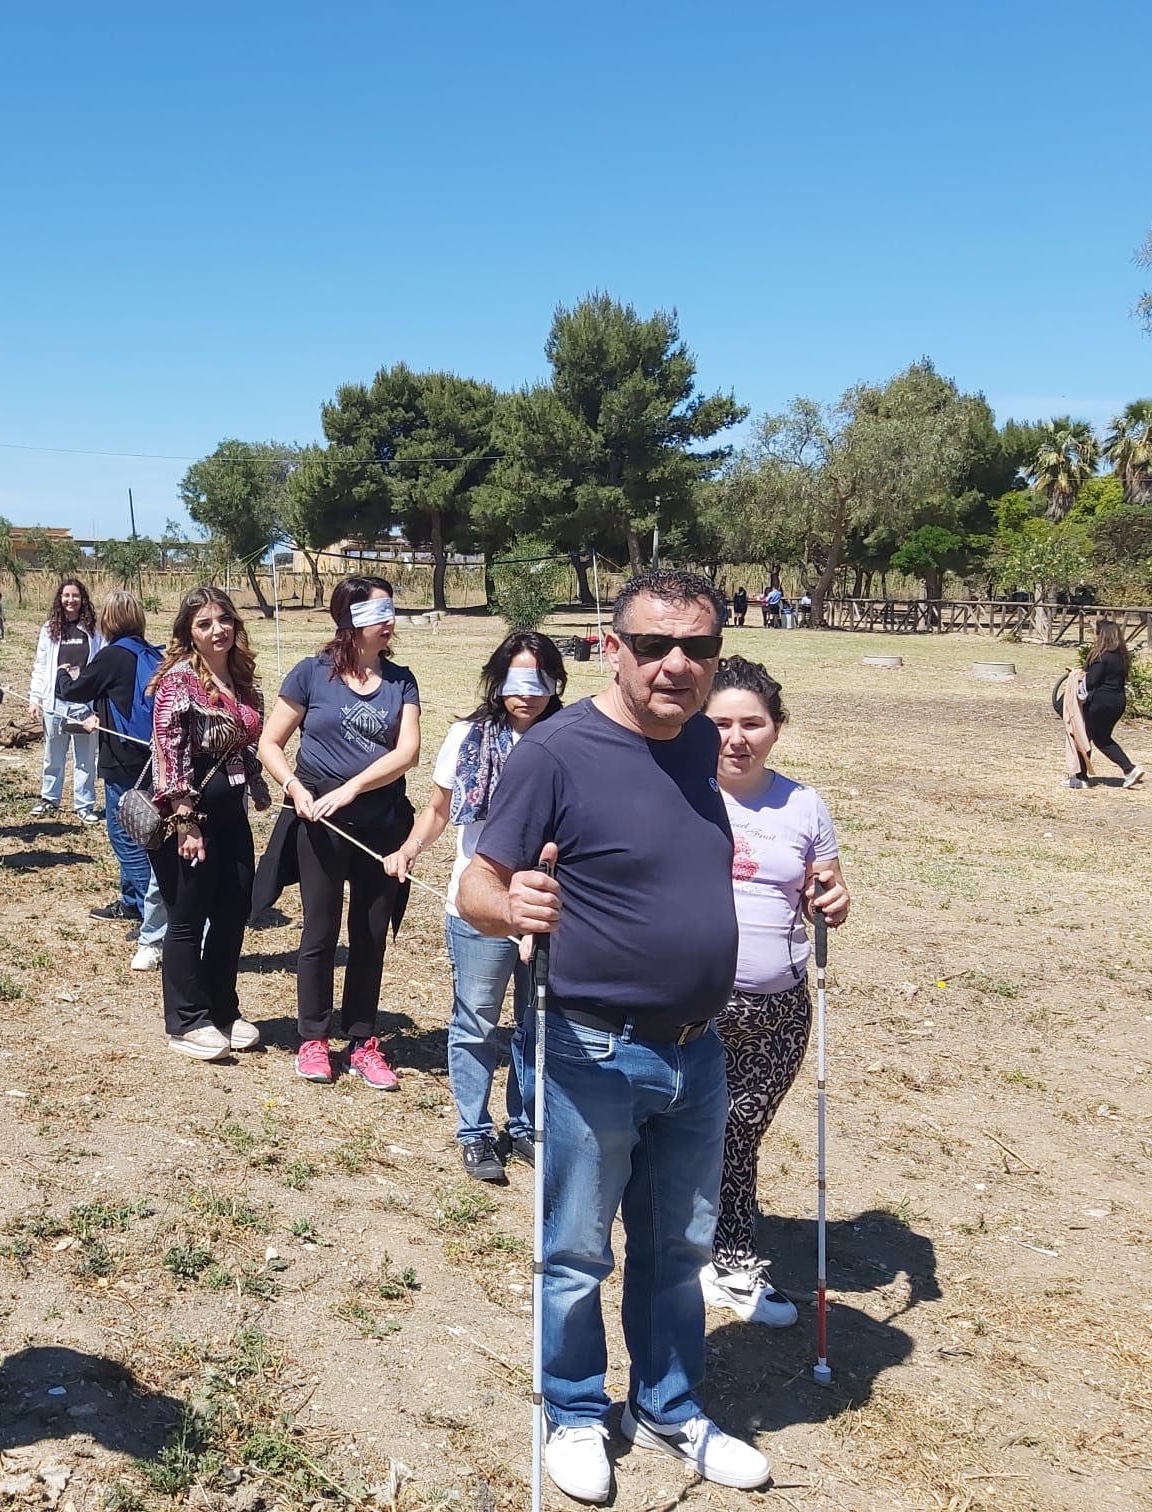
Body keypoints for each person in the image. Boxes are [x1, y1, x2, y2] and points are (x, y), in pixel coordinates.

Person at [461, 569, 771, 1498]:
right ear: (612, 646)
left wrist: (819, 877)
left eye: (699, 648)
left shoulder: (699, 744)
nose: (677, 666)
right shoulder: (556, 752)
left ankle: (672, 1407)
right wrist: (508, 902)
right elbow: (478, 882)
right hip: (592, 1047)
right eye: (654, 646)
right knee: (577, 1250)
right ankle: (574, 1410)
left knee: (680, 1247)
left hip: (697, 1047)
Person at [702, 656, 850, 1328]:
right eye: (721, 722)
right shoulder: (680, 792)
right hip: (692, 1004)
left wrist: (836, 901)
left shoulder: (804, 804)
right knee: (697, 1132)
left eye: (751, 723)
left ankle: (722, 1255)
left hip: (780, 1007)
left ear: (776, 728)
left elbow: (826, 890)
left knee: (741, 1132)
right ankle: (705, 1256)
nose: (736, 737)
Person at [385, 630, 565, 1182]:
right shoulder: (467, 736)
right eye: (515, 681)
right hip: (480, 909)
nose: (527, 694)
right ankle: (474, 1131)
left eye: (539, 682)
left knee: (540, 1025)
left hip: (551, 911)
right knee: (477, 1022)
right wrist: (409, 849)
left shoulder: (574, 738)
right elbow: (438, 810)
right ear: (496, 681)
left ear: (557, 684)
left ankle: (526, 1124)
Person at [255, 575, 421, 1090]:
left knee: (370, 935)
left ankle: (363, 1042)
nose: (389, 621)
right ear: (350, 620)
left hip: (382, 825)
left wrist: (351, 790)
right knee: (320, 932)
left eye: (391, 611)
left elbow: (408, 753)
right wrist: (294, 787)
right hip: (318, 825)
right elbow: (270, 744)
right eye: (378, 613)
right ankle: (313, 1039)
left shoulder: (403, 681)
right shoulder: (310, 674)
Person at [145, 586, 270, 1058]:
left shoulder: (240, 678)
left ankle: (223, 1009)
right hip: (190, 818)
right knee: (187, 917)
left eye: (223, 620)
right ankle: (186, 1019)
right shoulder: (180, 681)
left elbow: (244, 742)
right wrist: (185, 820)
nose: (217, 630)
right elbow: (169, 751)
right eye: (204, 623)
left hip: (232, 815)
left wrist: (256, 784)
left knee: (234, 910)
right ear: (188, 633)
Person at [58, 589, 171, 970]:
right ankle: (131, 901)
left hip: (123, 761)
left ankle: (150, 911)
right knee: (150, 830)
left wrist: (64, 673)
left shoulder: (112, 656)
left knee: (125, 834)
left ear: (107, 621)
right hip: (153, 758)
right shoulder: (153, 654)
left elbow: (74, 690)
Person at [28, 577, 103, 824]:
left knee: (84, 758)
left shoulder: (94, 630)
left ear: (83, 600)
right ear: (60, 599)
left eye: (75, 596)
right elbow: (40, 666)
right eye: (66, 595)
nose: (71, 600)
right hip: (55, 703)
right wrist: (35, 698)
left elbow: (102, 662)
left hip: (83, 705)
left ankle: (85, 805)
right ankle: (50, 799)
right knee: (54, 755)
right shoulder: (50, 629)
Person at [1070, 618, 1145, 789]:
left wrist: (1076, 676)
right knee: (1102, 738)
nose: (1094, 637)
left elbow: (1091, 681)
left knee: (1083, 737)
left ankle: (1080, 778)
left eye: (1096, 633)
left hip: (1099, 703)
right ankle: (1129, 769)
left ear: (1101, 635)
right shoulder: (1120, 656)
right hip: (1117, 701)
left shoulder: (1100, 657)